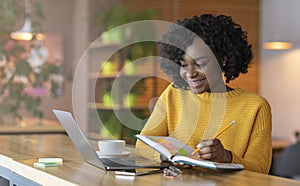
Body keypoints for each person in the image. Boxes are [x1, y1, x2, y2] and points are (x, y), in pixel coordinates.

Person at [135, 14, 272, 174]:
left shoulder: (255, 106)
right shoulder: (174, 93)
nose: (190, 73)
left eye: (200, 64)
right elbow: (141, 147)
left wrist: (226, 157)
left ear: (224, 60)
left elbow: (260, 169)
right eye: (183, 65)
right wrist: (166, 156)